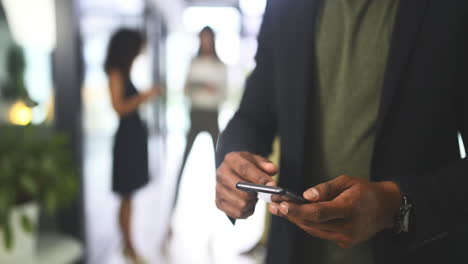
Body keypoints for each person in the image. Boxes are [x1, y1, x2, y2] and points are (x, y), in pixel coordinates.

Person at [215, 1, 468, 264]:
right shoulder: (286, 6)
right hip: (292, 252)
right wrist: (233, 162)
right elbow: (252, 116)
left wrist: (398, 203)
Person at [104, 28, 162, 264]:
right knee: (126, 196)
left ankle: (128, 245)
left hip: (133, 138)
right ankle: (129, 246)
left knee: (129, 197)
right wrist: (146, 96)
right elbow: (119, 107)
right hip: (126, 140)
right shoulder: (116, 72)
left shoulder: (125, 71)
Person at [174, 26, 227, 206]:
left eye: (208, 38)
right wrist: (202, 87)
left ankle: (223, 202)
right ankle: (174, 203)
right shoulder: (193, 63)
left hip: (212, 115)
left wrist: (202, 87)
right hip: (195, 114)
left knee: (218, 161)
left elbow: (222, 94)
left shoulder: (219, 65)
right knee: (184, 158)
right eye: (202, 38)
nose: (205, 42)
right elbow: (187, 89)